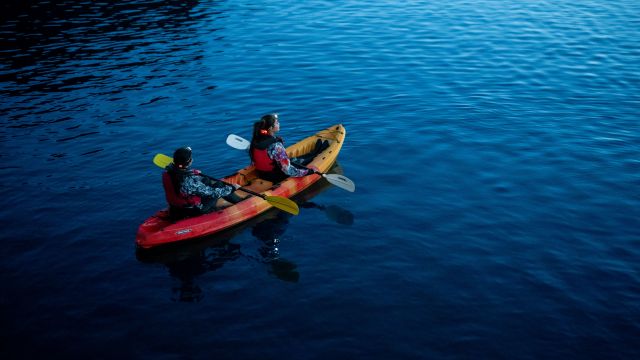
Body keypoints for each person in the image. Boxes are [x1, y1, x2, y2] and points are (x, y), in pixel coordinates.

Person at [163, 146, 243, 219]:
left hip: (174, 209)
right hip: (193, 210)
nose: (192, 159)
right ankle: (241, 202)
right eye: (191, 158)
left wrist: (191, 172)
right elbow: (214, 193)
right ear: (189, 162)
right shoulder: (189, 181)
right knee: (219, 185)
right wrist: (232, 188)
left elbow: (179, 173)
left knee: (206, 180)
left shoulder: (166, 173)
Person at [249, 113, 328, 183]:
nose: (279, 123)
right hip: (276, 177)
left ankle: (314, 153)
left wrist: (276, 139)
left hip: (262, 174)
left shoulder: (256, 139)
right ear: (270, 128)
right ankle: (316, 154)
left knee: (294, 160)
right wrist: (308, 172)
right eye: (277, 123)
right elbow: (288, 170)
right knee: (299, 162)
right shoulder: (276, 145)